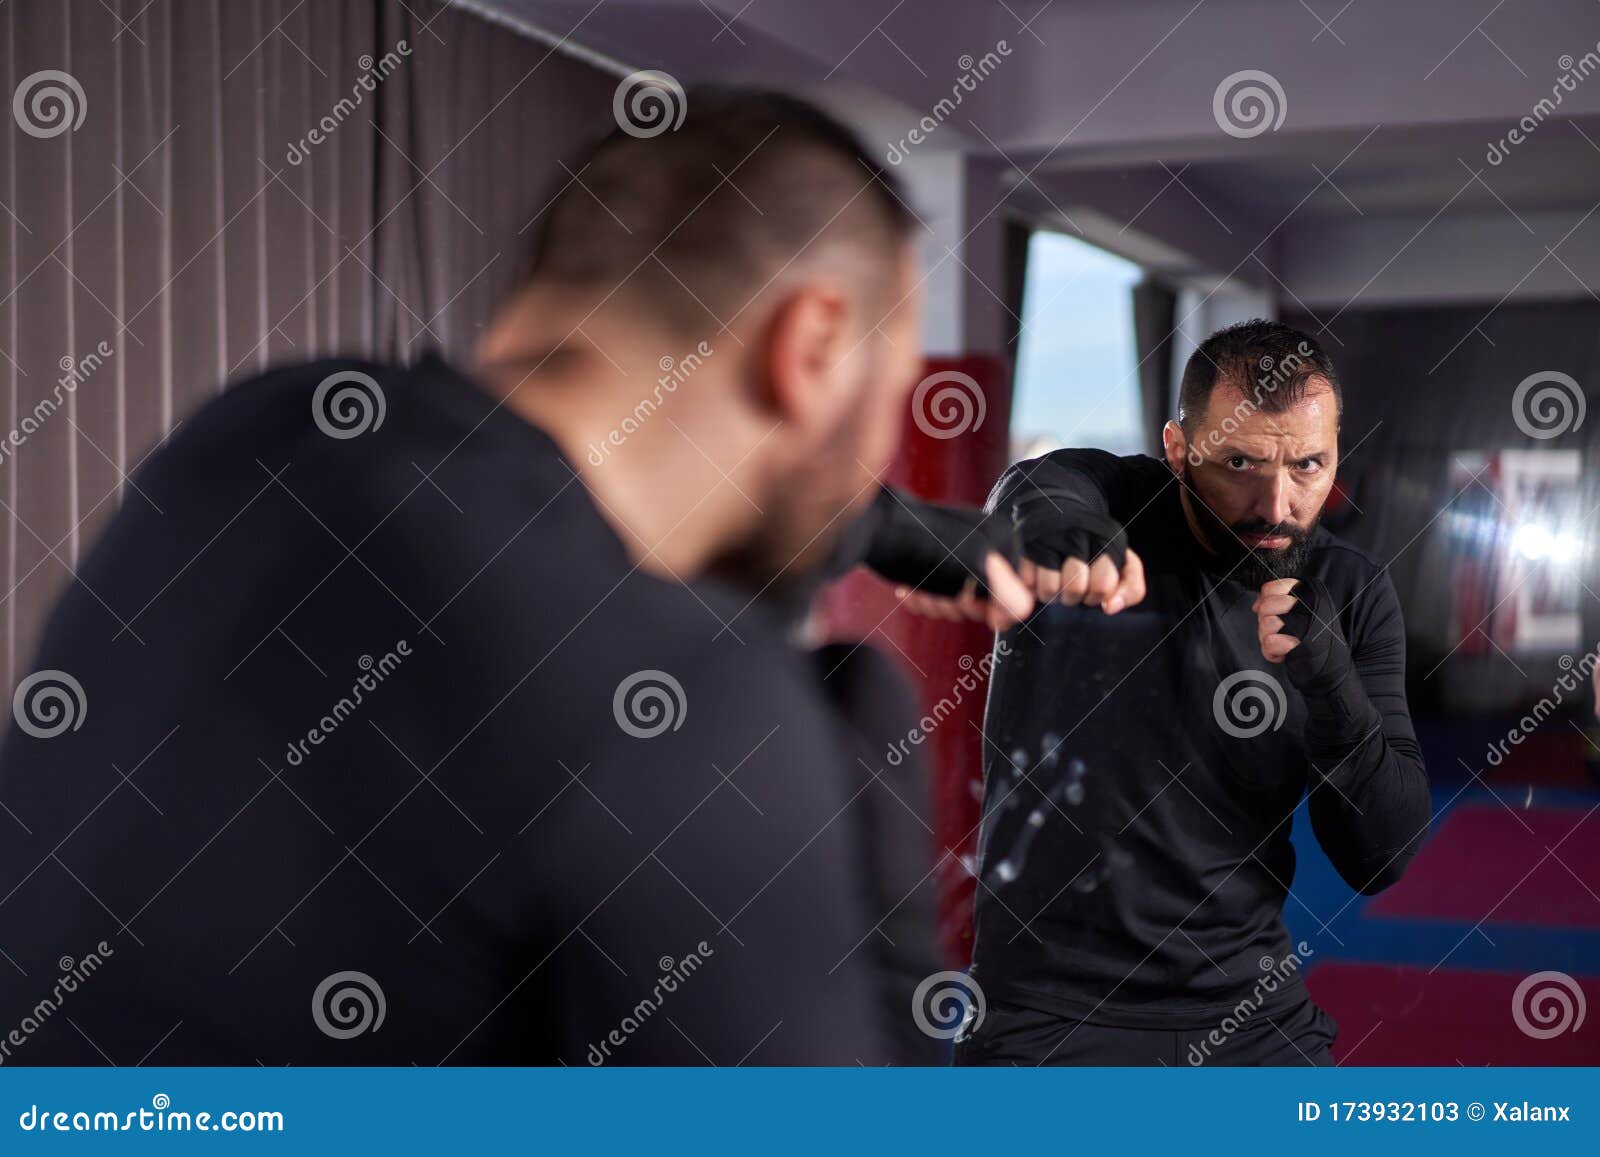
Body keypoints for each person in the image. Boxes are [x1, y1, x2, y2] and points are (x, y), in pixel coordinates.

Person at [0, 89, 1029, 1066]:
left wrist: (889, 533)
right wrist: (891, 959)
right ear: (808, 346)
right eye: (890, 388)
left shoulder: (253, 431)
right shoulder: (691, 697)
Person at [899, 320, 1431, 1065]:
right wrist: (1060, 537)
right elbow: (1045, 482)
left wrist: (1332, 686)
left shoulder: (1350, 588)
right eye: (1240, 462)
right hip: (1051, 1014)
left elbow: (1383, 857)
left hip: (1249, 1012)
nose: (1277, 504)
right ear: (1179, 449)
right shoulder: (1112, 511)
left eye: (1308, 464)